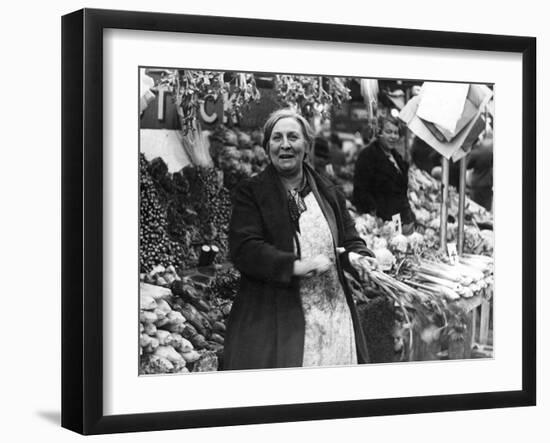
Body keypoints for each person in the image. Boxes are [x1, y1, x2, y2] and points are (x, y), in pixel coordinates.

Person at [224, 108, 375, 370]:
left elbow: (350, 240)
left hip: (333, 317)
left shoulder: (328, 191)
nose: (285, 145)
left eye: (293, 137)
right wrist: (295, 266)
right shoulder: (251, 193)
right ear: (267, 146)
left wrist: (360, 258)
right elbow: (244, 249)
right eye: (276, 138)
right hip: (279, 321)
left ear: (307, 145)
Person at [352, 116, 415, 233]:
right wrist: (374, 215)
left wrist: (409, 217)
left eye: (396, 133)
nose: (393, 136)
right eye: (389, 132)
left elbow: (401, 192)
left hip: (398, 220)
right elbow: (360, 191)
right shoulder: (368, 156)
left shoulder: (396, 157)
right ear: (379, 133)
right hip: (380, 223)